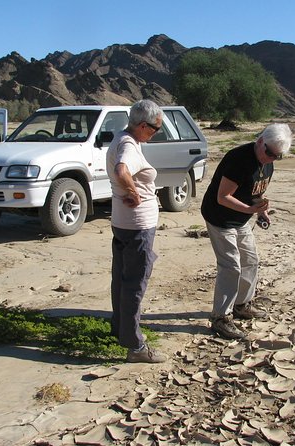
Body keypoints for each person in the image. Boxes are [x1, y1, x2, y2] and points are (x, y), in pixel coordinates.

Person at [201, 123, 292, 339]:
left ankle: (241, 305)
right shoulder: (238, 159)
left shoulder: (267, 162)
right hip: (220, 218)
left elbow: (255, 192)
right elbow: (222, 197)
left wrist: (260, 211)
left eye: (277, 156)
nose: (271, 158)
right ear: (260, 141)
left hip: (241, 218)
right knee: (231, 265)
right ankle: (220, 318)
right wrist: (250, 209)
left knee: (251, 260)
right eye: (269, 153)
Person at [107, 99, 166, 363]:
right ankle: (135, 346)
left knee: (121, 278)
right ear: (143, 125)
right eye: (155, 129)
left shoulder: (123, 138)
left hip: (123, 222)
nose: (156, 133)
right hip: (137, 226)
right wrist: (133, 192)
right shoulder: (129, 145)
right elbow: (122, 170)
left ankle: (120, 329)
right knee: (135, 282)